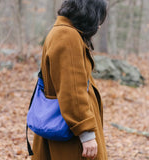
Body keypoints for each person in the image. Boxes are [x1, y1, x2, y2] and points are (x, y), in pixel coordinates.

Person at [31, 0, 108, 159]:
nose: (98, 26)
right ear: (88, 13)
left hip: (65, 127)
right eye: (98, 19)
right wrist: (86, 132)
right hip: (70, 135)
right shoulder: (68, 36)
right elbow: (72, 91)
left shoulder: (62, 31)